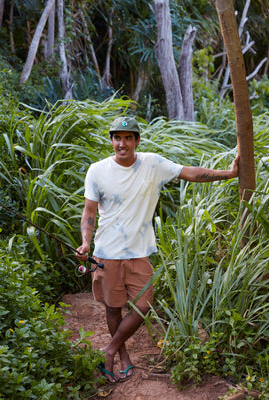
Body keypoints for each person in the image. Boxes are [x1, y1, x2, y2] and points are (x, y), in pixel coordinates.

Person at [76, 116, 239, 383]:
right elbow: (89, 212)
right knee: (113, 308)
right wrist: (85, 242)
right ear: (111, 140)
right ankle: (123, 357)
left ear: (137, 141)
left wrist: (229, 174)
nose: (122, 143)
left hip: (139, 252)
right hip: (106, 253)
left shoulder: (153, 164)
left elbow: (191, 173)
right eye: (118, 137)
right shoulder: (97, 170)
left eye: (129, 138)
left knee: (144, 305)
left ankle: (109, 348)